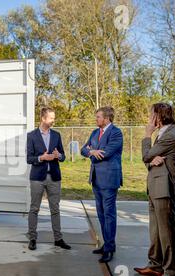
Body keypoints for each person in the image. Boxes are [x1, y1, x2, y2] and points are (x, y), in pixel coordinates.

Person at [134, 103, 175, 276]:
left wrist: (147, 134)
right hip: (154, 187)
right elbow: (150, 160)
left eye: (151, 113)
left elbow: (146, 155)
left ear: (159, 116)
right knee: (155, 231)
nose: (149, 117)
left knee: (167, 233)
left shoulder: (171, 135)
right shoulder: (163, 134)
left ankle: (170, 274)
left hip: (165, 188)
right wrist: (151, 160)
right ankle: (155, 265)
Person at [81, 106, 123, 263]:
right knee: (100, 214)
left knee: (109, 214)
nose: (96, 119)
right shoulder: (94, 132)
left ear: (107, 118)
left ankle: (110, 248)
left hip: (109, 179)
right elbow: (83, 150)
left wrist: (94, 151)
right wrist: (91, 152)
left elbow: (106, 153)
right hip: (96, 179)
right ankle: (106, 244)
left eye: (98, 116)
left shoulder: (116, 133)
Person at [26, 106, 71, 251]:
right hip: (37, 178)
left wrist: (59, 156)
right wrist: (42, 157)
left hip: (54, 177)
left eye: (53, 118)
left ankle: (58, 239)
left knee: (55, 209)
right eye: (51, 118)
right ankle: (32, 238)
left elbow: (63, 156)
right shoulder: (32, 136)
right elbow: (29, 158)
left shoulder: (57, 135)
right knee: (34, 209)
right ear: (43, 118)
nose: (53, 120)